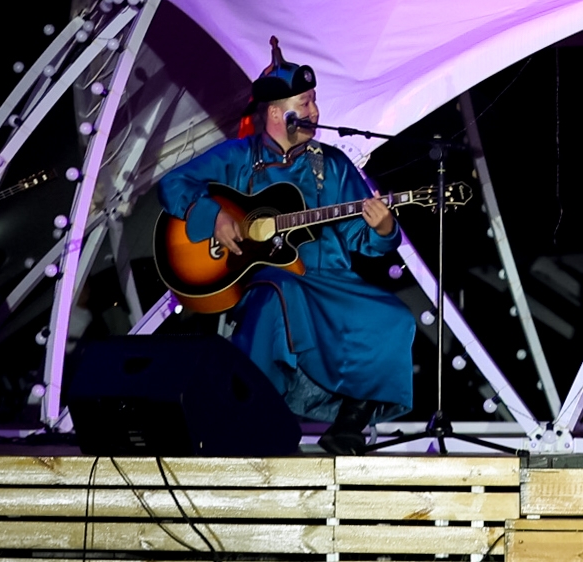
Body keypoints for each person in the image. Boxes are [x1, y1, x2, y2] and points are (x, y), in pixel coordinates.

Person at [155, 40, 407, 455]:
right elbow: (172, 184)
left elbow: (362, 239)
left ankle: (349, 424)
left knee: (393, 317)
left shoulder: (332, 165)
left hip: (331, 281)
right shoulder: (238, 156)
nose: (315, 112)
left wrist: (383, 227)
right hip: (265, 281)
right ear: (275, 113)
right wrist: (212, 216)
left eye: (314, 101)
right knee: (278, 293)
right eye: (304, 103)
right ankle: (252, 418)